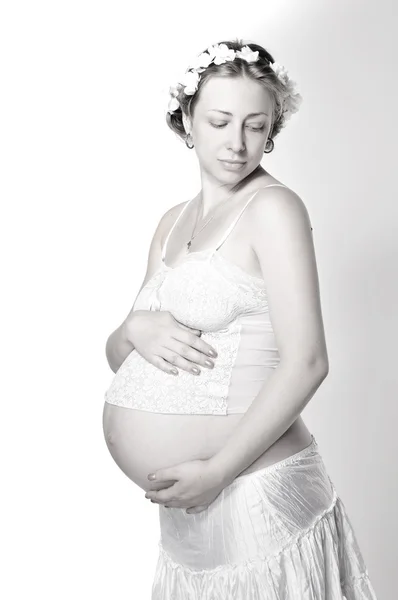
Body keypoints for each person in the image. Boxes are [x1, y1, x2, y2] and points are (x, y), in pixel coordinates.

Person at [103, 39, 378, 599]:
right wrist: (133, 329)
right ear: (187, 120)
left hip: (255, 492)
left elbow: (307, 362)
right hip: (189, 517)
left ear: (272, 127)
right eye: (221, 121)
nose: (236, 143)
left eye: (255, 125)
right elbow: (122, 359)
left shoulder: (274, 209)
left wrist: (218, 471)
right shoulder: (170, 222)